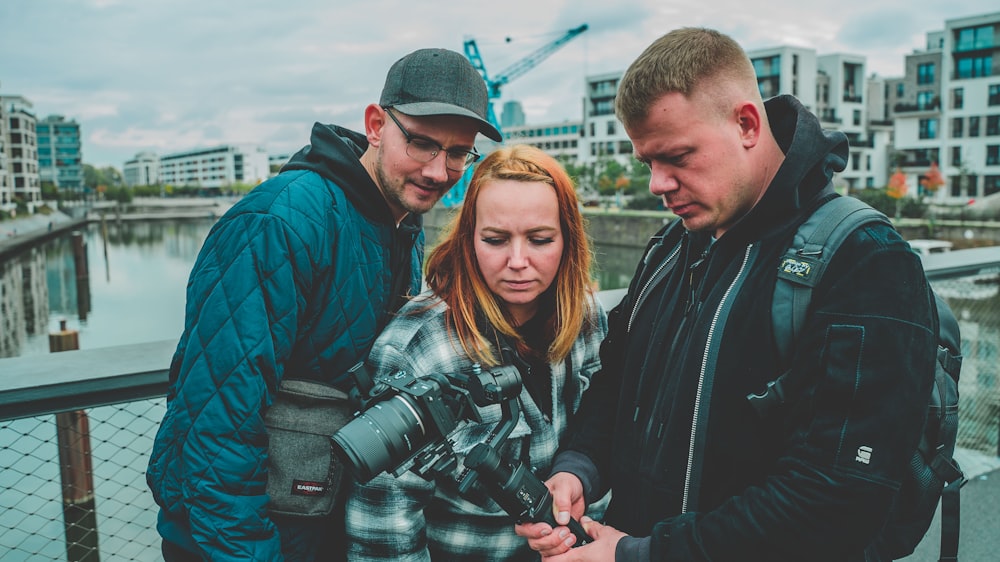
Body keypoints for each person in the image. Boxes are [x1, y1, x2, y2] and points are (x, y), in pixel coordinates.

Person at [516, 28, 938, 561]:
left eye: (677, 157)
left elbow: (836, 498)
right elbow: (618, 380)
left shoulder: (868, 263)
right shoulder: (673, 246)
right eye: (648, 162)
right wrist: (578, 468)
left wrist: (642, 554)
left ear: (746, 124)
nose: (656, 184)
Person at [146, 47, 502, 561]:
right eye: (422, 144)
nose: (438, 170)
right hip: (244, 537)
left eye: (457, 154)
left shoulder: (399, 220)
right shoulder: (278, 223)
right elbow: (217, 422)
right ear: (376, 124)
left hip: (314, 521)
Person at [345, 145, 609, 561]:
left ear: (568, 241)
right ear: (468, 241)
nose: (518, 261)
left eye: (540, 239)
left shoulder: (590, 318)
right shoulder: (417, 347)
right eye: (495, 239)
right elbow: (384, 527)